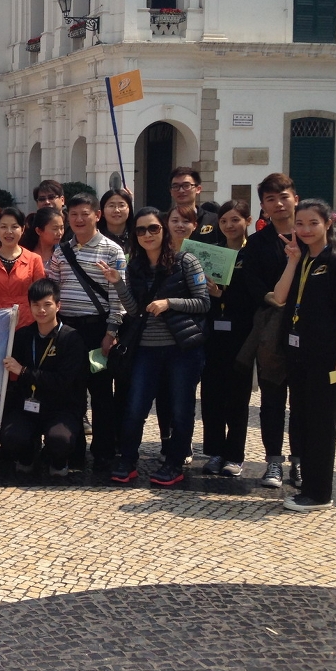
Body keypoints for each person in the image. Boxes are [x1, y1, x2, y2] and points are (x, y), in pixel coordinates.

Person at [101, 207, 208, 487]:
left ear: (163, 229)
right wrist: (118, 284)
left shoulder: (187, 262)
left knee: (181, 408)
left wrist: (170, 303)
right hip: (146, 349)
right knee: (135, 406)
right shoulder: (135, 266)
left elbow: (203, 302)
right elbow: (136, 311)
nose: (147, 235)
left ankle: (174, 463)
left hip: (181, 349)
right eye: (140, 230)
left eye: (153, 228)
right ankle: (127, 459)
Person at [271, 199, 336, 511]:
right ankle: (308, 486)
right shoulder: (303, 259)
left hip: (327, 357)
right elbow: (280, 298)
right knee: (302, 419)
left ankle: (320, 493)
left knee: (321, 423)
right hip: (299, 355)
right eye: (300, 223)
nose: (305, 229)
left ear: (327, 224)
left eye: (313, 223)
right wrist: (292, 262)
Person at [46, 193, 126, 470]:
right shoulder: (61, 251)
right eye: (74, 215)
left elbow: (118, 294)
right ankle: (73, 450)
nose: (79, 220)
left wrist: (112, 330)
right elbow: (52, 288)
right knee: (70, 391)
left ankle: (104, 451)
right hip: (68, 330)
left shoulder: (112, 250)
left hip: (97, 328)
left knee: (101, 393)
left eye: (85, 214)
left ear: (97, 215)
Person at [236, 173, 301, 489]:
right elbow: (254, 285)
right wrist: (272, 298)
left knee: (303, 401)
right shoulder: (258, 244)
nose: (278, 203)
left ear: (295, 199)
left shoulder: (314, 235)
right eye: (271, 199)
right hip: (271, 331)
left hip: (309, 331)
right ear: (263, 206)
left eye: (284, 196)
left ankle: (299, 462)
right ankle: (273, 462)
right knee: (273, 399)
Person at [1, 279, 87, 476]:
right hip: (28, 405)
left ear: (58, 306)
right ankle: (27, 454)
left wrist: (23, 372)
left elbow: (63, 382)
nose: (41, 310)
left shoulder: (71, 338)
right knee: (11, 437)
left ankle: (57, 459)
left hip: (62, 407)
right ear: (29, 306)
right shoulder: (23, 336)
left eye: (47, 305)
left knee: (60, 440)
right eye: (36, 305)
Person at [200, 199, 254, 477]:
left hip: (240, 334)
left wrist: (224, 295)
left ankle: (235, 454)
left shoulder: (253, 254)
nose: (229, 225)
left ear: (247, 220)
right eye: (224, 221)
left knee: (237, 397)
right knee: (211, 397)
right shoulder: (213, 253)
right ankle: (214, 451)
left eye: (235, 220)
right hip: (212, 334)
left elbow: (256, 295)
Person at [0, 207, 46, 328]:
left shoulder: (34, 259)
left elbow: (40, 294)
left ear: (22, 229)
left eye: (14, 227)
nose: (9, 232)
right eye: (3, 226)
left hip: (27, 322)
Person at [167, 166, 220, 244]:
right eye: (176, 186)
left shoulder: (214, 221)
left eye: (186, 185)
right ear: (171, 191)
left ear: (198, 189)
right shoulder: (163, 222)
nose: (181, 190)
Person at [99, 188, 135, 255]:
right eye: (111, 206)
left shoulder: (138, 237)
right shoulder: (95, 238)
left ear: (129, 209)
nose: (116, 210)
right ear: (102, 212)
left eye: (121, 205)